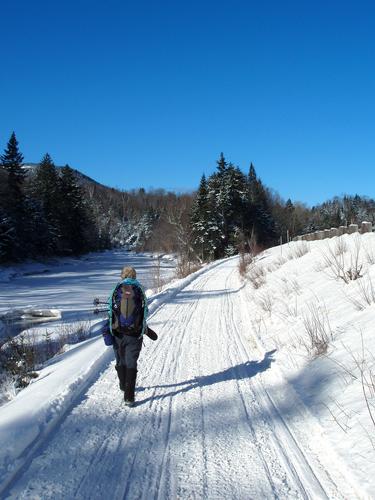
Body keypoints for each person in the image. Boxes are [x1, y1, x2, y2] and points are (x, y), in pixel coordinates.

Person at [108, 266, 147, 407]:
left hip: (118, 332)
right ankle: (129, 397)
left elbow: (110, 310)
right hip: (135, 333)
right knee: (131, 362)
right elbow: (145, 311)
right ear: (134, 275)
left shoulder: (116, 289)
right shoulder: (139, 290)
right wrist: (142, 328)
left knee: (120, 359)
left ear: (122, 276)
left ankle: (123, 385)